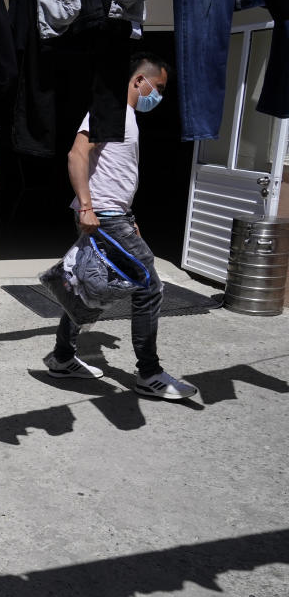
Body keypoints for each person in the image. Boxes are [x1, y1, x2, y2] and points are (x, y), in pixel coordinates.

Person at [42, 52, 200, 400]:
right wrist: (86, 206)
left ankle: (62, 356)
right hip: (103, 215)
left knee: (90, 285)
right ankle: (149, 373)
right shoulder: (111, 109)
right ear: (138, 81)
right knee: (149, 286)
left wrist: (130, 218)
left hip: (115, 215)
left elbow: (114, 173)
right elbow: (76, 154)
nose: (157, 95)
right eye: (157, 87)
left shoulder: (124, 115)